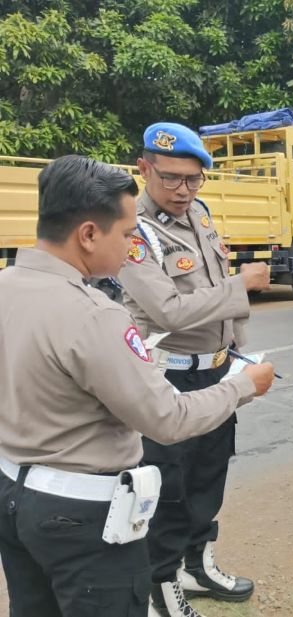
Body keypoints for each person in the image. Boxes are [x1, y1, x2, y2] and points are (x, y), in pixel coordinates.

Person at [0, 155, 274, 617]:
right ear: (88, 234)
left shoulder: (8, 285)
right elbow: (167, 419)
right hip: (83, 516)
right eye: (127, 235)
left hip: (13, 494)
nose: (132, 247)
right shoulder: (96, 315)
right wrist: (243, 386)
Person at [117, 122, 271, 617]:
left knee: (210, 474)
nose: (184, 190)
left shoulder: (200, 214)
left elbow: (211, 288)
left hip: (216, 370)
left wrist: (237, 352)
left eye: (194, 179)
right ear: (144, 169)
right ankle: (161, 587)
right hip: (168, 378)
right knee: (167, 489)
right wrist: (242, 286)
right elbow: (168, 311)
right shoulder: (135, 234)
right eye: (171, 179)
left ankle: (198, 565)